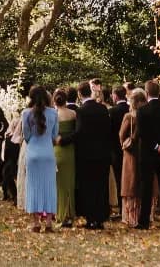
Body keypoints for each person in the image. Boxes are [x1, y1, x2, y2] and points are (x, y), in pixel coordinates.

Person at [62, 80, 114, 229]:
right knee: (101, 186)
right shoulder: (102, 109)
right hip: (103, 154)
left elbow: (79, 133)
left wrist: (63, 140)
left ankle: (91, 218)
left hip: (87, 155)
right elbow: (108, 130)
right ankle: (101, 218)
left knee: (89, 187)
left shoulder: (81, 111)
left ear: (79, 94)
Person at [133, 80, 160, 229]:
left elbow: (142, 134)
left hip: (147, 153)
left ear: (146, 92)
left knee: (146, 187)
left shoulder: (142, 111)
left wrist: (156, 147)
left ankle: (143, 221)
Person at [22, 86, 59, 232]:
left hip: (33, 153)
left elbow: (26, 136)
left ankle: (36, 223)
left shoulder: (26, 113)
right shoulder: (53, 113)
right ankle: (49, 223)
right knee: (49, 187)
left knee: (33, 187)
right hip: (48, 153)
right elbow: (54, 135)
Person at [118, 89, 145, 228]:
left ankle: (130, 216)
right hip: (143, 151)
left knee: (130, 183)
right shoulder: (145, 116)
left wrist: (125, 144)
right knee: (139, 182)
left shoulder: (129, 117)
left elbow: (121, 135)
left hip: (131, 153)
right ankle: (143, 214)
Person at [53, 89, 77, 227]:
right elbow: (76, 132)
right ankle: (69, 213)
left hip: (56, 150)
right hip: (69, 150)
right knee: (69, 183)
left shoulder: (53, 115)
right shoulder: (73, 114)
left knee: (58, 184)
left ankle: (59, 213)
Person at [109, 85, 129, 214]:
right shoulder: (130, 109)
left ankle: (122, 208)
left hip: (116, 149)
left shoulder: (112, 111)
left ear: (115, 96)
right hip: (130, 149)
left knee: (118, 178)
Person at [2, 113, 21, 204]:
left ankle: (14, 196)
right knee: (6, 173)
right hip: (11, 161)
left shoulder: (14, 138)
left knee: (8, 173)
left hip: (15, 161)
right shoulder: (9, 137)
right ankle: (11, 195)